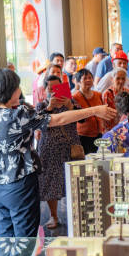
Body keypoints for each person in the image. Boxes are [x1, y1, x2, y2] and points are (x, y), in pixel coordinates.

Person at [0, 69, 115, 237]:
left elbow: (35, 120)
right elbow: (59, 119)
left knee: (6, 238)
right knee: (25, 239)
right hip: (21, 184)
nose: (19, 90)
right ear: (9, 90)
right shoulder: (18, 115)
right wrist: (93, 110)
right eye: (17, 86)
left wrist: (49, 108)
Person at [36, 75, 82, 229]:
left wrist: (70, 106)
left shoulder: (71, 102)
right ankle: (53, 216)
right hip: (49, 150)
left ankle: (77, 215)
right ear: (45, 90)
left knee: (75, 180)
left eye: (57, 88)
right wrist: (49, 108)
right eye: (50, 89)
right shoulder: (42, 106)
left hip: (70, 148)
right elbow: (37, 123)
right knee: (50, 182)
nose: (54, 92)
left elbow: (83, 119)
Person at [72, 68, 105, 154]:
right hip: (83, 136)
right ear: (78, 82)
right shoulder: (75, 97)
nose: (88, 80)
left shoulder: (98, 95)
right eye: (85, 78)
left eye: (90, 77)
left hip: (99, 134)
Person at [101, 67, 129, 132]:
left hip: (124, 128)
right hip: (111, 129)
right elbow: (105, 115)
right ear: (112, 79)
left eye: (123, 79)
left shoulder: (128, 92)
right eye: (118, 78)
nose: (121, 81)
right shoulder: (107, 93)